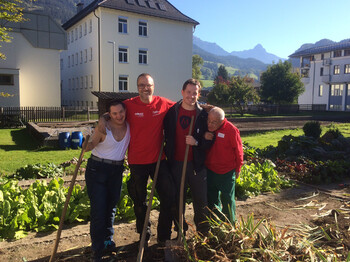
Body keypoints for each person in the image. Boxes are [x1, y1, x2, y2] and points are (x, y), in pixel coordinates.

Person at [123, 73, 176, 244]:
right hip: (137, 162)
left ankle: (163, 235)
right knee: (140, 201)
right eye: (141, 85)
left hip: (159, 160)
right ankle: (144, 234)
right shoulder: (128, 105)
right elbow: (111, 114)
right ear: (137, 87)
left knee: (168, 196)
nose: (145, 88)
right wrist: (103, 120)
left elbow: (185, 107)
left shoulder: (163, 103)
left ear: (154, 86)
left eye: (148, 85)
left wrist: (206, 108)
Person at [163, 78, 213, 236]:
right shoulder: (172, 112)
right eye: (189, 92)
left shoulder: (204, 115)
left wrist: (197, 142)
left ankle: (203, 233)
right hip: (176, 164)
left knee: (201, 202)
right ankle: (180, 232)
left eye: (195, 93)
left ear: (198, 95)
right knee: (178, 201)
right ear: (182, 92)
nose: (191, 96)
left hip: (197, 165)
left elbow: (210, 140)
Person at [83, 101, 130, 262]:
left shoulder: (129, 126)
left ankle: (107, 240)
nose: (119, 116)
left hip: (116, 170)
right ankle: (97, 249)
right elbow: (90, 147)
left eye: (121, 112)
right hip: (97, 170)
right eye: (114, 113)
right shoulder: (104, 128)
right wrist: (84, 143)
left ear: (125, 111)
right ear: (109, 115)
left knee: (111, 208)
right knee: (99, 210)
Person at [205, 107, 244, 224]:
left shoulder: (231, 130)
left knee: (227, 199)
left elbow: (239, 151)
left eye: (214, 122)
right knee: (212, 198)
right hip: (210, 170)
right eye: (209, 121)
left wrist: (238, 168)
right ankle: (216, 222)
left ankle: (230, 224)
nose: (210, 124)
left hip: (226, 172)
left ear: (222, 121)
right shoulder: (206, 129)